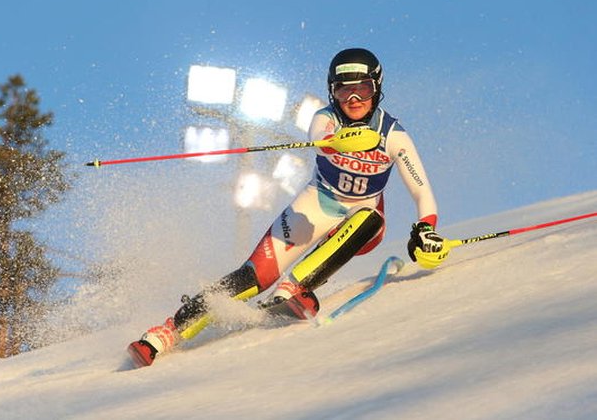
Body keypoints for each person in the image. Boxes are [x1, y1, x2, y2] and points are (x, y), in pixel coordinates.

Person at [128, 48, 450, 367]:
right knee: (252, 277)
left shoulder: (394, 135)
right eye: (343, 90)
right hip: (316, 207)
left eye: (362, 88)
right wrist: (337, 140)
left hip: (360, 223)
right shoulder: (325, 118)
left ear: (376, 89)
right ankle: (166, 333)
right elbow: (321, 139)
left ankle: (294, 286)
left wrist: (426, 229)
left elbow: (422, 193)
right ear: (332, 92)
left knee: (370, 219)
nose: (353, 99)